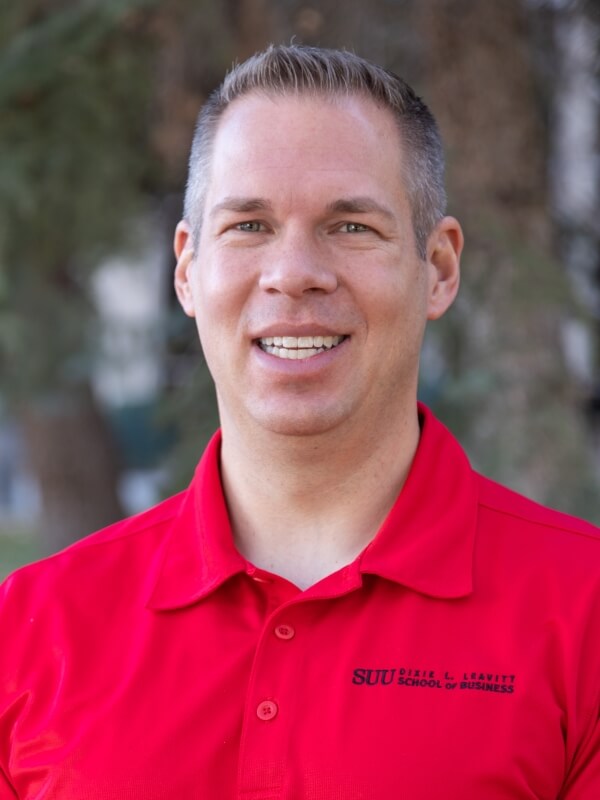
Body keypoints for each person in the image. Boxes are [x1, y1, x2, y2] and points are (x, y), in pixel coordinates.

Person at [1, 44, 599, 800]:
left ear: (439, 270)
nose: (293, 274)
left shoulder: (585, 615)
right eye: (249, 225)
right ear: (187, 271)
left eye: (351, 227)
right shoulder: (27, 631)